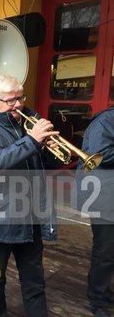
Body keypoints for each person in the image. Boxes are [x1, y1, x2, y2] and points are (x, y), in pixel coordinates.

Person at [0, 75, 58, 317]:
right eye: (11, 100)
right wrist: (32, 142)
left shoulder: (31, 123)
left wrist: (50, 150)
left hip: (30, 219)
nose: (18, 104)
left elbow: (43, 166)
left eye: (20, 97)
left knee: (35, 284)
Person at [76, 107, 114, 317]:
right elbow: (100, 154)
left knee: (109, 250)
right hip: (101, 195)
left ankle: (102, 288)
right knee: (105, 251)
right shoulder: (106, 120)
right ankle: (97, 298)